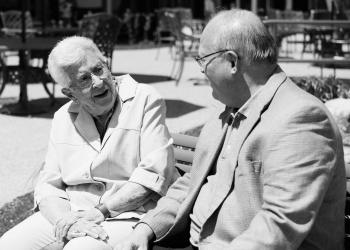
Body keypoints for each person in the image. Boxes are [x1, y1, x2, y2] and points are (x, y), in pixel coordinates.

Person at [115, 9, 346, 250]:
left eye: (203, 60)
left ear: (232, 61)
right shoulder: (227, 110)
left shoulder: (300, 119)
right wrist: (146, 228)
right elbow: (192, 182)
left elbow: (278, 227)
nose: (201, 71)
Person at [0, 36, 178, 250]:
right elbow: (49, 184)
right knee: (9, 244)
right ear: (70, 93)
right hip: (75, 212)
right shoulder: (62, 118)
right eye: (84, 79)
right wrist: (64, 221)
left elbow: (152, 175)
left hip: (130, 214)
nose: (99, 81)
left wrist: (100, 212)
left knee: (81, 248)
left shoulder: (145, 99)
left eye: (99, 69)